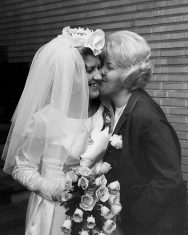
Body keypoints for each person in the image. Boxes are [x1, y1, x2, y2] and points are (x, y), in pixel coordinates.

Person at [2, 26, 112, 235]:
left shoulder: (105, 113)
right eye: (89, 70)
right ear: (70, 75)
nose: (99, 75)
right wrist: (51, 188)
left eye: (99, 67)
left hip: (95, 211)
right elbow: (22, 167)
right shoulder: (45, 118)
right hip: (53, 212)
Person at [99, 30, 186, 235]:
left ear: (127, 73)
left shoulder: (146, 116)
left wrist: (128, 219)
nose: (100, 72)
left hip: (149, 226)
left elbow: (170, 179)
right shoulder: (114, 108)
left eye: (108, 67)